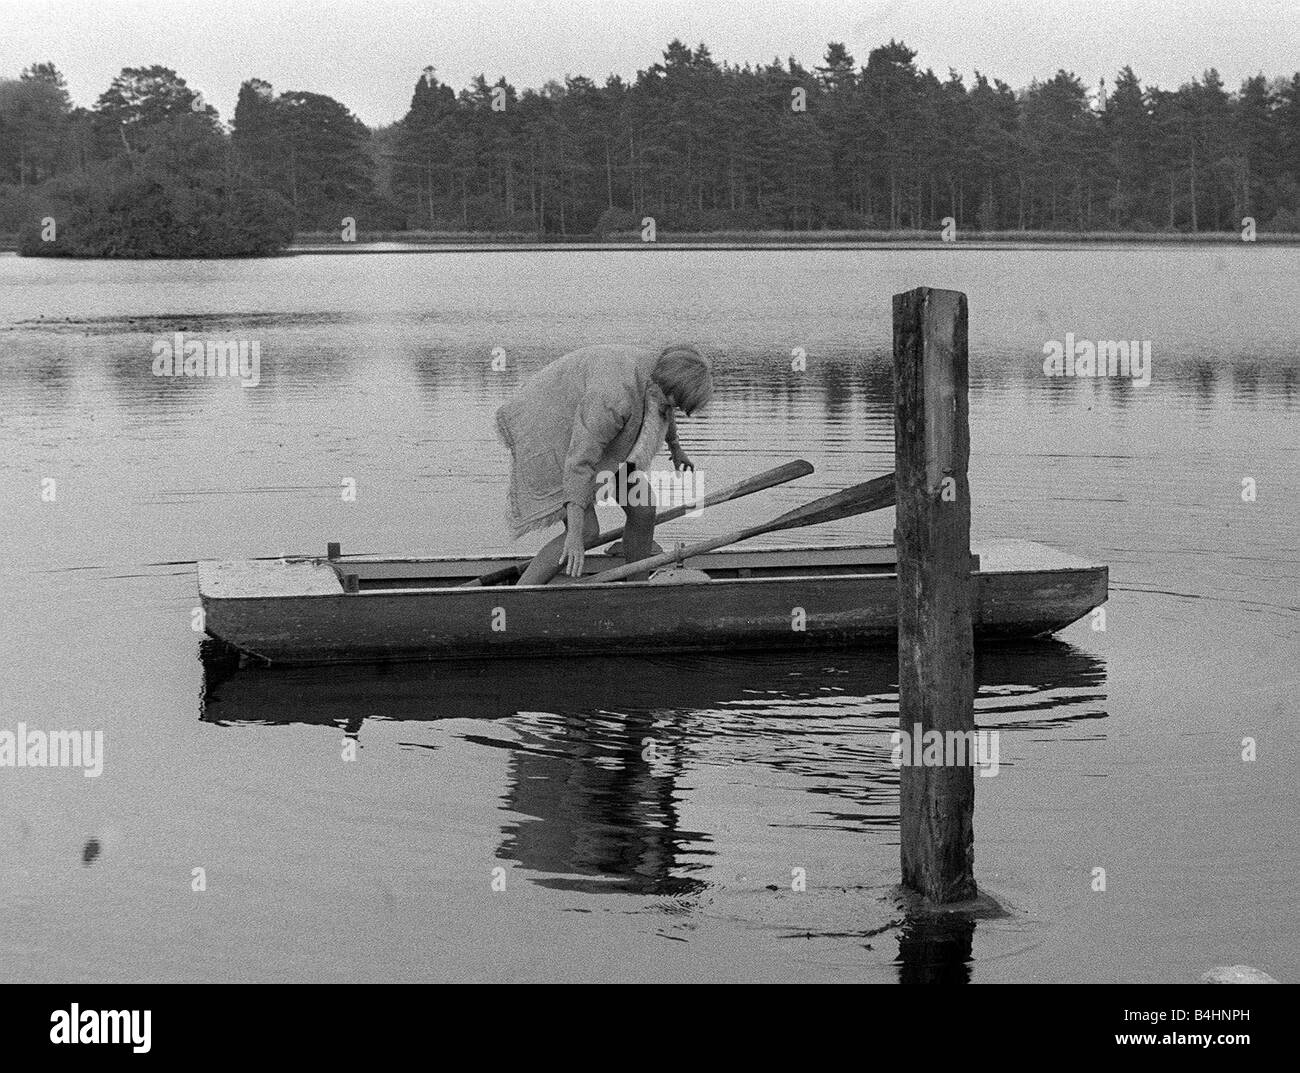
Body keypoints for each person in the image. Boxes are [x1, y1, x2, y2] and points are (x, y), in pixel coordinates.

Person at [495, 343, 713, 585]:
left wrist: (676, 448)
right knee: (586, 530)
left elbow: (661, 411)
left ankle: (636, 587)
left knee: (643, 507)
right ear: (664, 385)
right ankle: (520, 594)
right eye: (674, 404)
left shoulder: (657, 374)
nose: (672, 410)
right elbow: (579, 462)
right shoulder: (613, 395)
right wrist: (575, 534)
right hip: (550, 435)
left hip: (596, 437)